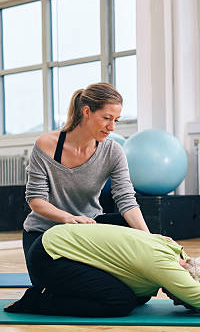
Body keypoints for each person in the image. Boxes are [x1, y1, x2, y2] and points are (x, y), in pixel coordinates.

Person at [5, 223, 200, 319]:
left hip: (62, 242)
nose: (182, 302)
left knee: (137, 296)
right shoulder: (167, 269)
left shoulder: (176, 250)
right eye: (185, 299)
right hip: (50, 257)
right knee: (118, 303)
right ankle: (42, 300)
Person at [22, 83, 150, 267]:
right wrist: (69, 218)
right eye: (107, 118)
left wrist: (149, 239)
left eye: (116, 120)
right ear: (87, 111)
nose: (112, 127)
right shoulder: (46, 145)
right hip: (44, 232)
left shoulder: (113, 151)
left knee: (132, 228)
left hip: (88, 230)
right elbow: (36, 200)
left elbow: (126, 199)